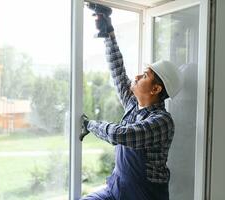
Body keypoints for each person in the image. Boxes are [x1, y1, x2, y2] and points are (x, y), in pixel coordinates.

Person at [79, 7, 182, 200]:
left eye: (145, 75)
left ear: (156, 89)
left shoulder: (162, 122)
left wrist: (89, 125)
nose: (137, 76)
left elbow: (121, 135)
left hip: (144, 196)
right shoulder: (134, 105)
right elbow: (118, 72)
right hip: (118, 190)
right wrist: (109, 33)